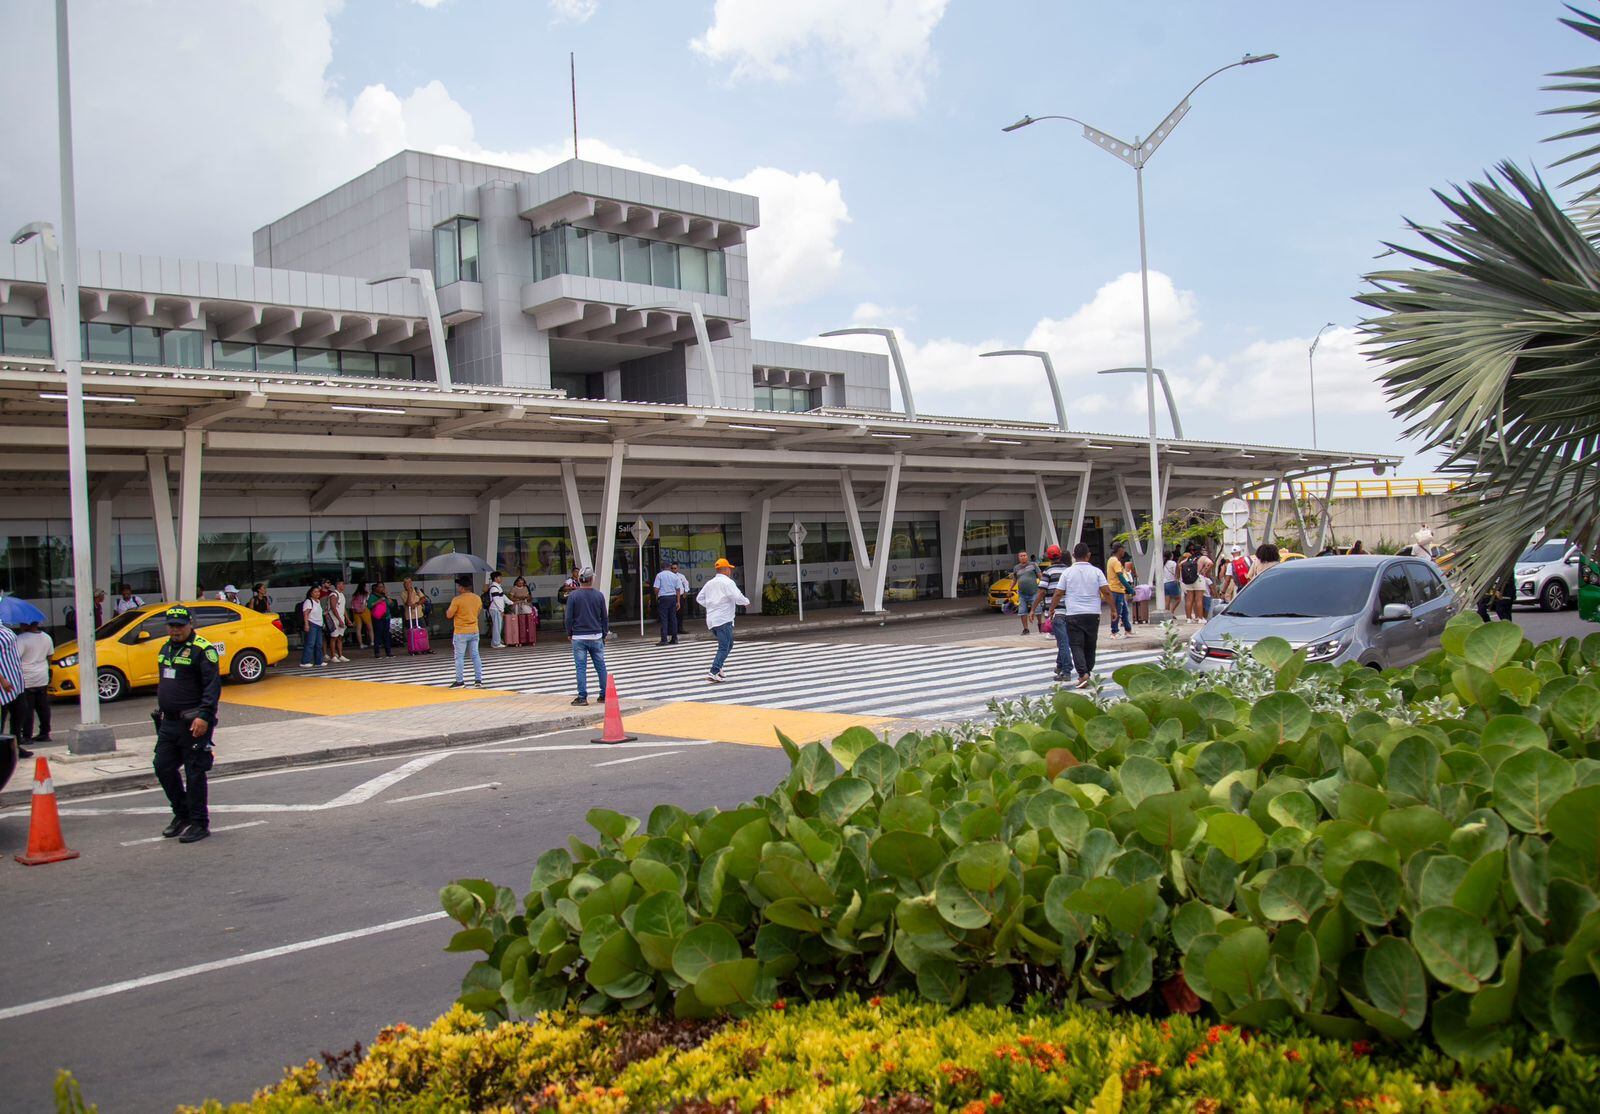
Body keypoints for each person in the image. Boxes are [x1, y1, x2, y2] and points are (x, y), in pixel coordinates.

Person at [151, 605, 221, 843]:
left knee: (194, 774)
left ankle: (199, 823)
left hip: (194, 723)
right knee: (162, 767)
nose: (175, 630)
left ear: (190, 624)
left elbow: (212, 687)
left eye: (180, 625)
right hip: (169, 724)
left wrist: (205, 716)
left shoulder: (203, 650)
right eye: (171, 625)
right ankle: (182, 815)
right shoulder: (166, 648)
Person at [1047, 542, 1113, 688]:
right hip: (1093, 613)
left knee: (1076, 645)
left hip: (1074, 613)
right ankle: (1087, 671)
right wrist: (1114, 609)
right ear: (1088, 555)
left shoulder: (1067, 573)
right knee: (1090, 644)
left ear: (1074, 556)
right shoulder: (1097, 572)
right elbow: (1106, 591)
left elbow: (1058, 593)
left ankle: (1083, 673)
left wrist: (1052, 609)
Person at [696, 557, 750, 683]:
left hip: (712, 620)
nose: (730, 571)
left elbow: (699, 598)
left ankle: (719, 667)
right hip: (723, 619)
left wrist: (711, 605)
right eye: (729, 569)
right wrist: (746, 602)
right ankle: (713, 671)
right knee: (724, 646)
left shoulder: (709, 583)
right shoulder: (727, 582)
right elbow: (737, 596)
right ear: (725, 570)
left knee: (729, 644)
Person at [564, 567, 609, 705]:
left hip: (578, 636)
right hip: (596, 635)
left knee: (581, 667)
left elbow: (568, 618)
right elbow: (604, 618)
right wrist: (604, 633)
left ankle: (582, 697)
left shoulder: (574, 596)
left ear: (579, 580)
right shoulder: (599, 595)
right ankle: (604, 694)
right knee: (600, 666)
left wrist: (569, 632)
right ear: (592, 579)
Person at [12, 620, 54, 746]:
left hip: (27, 676)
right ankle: (45, 733)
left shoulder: (21, 639)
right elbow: (50, 656)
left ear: (26, 624)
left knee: (27, 708)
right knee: (43, 707)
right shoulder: (47, 637)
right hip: (42, 675)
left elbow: (16, 657)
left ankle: (27, 735)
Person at [446, 575, 484, 688]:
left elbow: (449, 615)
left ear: (462, 587)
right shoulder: (477, 598)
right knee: (475, 655)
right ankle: (478, 680)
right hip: (474, 630)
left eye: (459, 586)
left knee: (459, 657)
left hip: (461, 631)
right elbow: (477, 612)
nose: (458, 588)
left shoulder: (457, 600)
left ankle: (460, 681)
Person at [0, 624, 24, 757]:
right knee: (1, 718)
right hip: (3, 682)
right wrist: (2, 680)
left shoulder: (4, 627)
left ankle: (16, 747)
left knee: (19, 713)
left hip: (16, 678)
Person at [652, 561, 686, 645]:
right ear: (669, 567)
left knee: (664, 619)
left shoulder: (659, 575)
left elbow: (656, 588)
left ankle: (664, 639)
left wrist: (657, 596)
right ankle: (674, 638)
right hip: (673, 597)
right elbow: (678, 589)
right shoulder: (674, 576)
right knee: (673, 618)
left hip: (663, 598)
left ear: (662, 567)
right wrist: (678, 601)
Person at [1105, 543, 1134, 638]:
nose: (1124, 551)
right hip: (1116, 590)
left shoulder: (1111, 560)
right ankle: (1114, 631)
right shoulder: (1115, 562)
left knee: (1125, 611)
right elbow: (1121, 577)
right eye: (1123, 549)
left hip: (1118, 590)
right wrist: (1130, 589)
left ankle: (1128, 630)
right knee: (1117, 611)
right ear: (1119, 550)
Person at [1010, 551, 1041, 635]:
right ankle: (1026, 629)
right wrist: (1010, 589)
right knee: (1022, 611)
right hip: (1022, 594)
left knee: (1037, 610)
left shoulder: (1033, 565)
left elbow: (1040, 576)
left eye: (1024, 555)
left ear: (1027, 556)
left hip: (1034, 592)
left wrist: (1043, 586)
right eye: (1021, 556)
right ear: (1018, 557)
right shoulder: (1016, 568)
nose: (1023, 557)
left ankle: (1040, 625)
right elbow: (1015, 579)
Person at [300, 586, 326, 668]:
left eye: (318, 591)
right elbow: (306, 614)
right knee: (310, 643)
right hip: (312, 624)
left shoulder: (318, 601)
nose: (317, 593)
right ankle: (305, 661)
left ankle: (319, 661)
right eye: (315, 592)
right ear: (311, 593)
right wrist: (306, 624)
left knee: (319, 644)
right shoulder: (308, 601)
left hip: (319, 624)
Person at [324, 579, 349, 663]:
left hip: (341, 618)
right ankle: (333, 656)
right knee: (334, 637)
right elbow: (334, 609)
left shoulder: (341, 595)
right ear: (338, 585)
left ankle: (340, 655)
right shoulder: (333, 595)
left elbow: (343, 608)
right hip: (334, 619)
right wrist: (339, 620)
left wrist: (347, 619)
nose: (343, 586)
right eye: (342, 584)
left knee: (340, 637)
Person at [369, 582, 394, 657]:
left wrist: (387, 596)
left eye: (382, 587)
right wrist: (378, 601)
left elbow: (391, 604)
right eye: (379, 587)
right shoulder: (373, 596)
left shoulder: (385, 596)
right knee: (378, 634)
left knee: (386, 634)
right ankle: (377, 652)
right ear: (376, 588)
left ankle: (388, 652)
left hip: (386, 617)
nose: (381, 588)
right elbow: (369, 605)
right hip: (378, 617)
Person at [486, 570, 507, 649]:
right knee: (497, 627)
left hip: (496, 609)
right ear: (495, 578)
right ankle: (496, 643)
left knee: (498, 626)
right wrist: (501, 610)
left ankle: (496, 641)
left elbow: (503, 597)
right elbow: (496, 600)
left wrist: (511, 602)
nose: (501, 578)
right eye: (500, 577)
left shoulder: (497, 586)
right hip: (496, 609)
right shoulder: (494, 588)